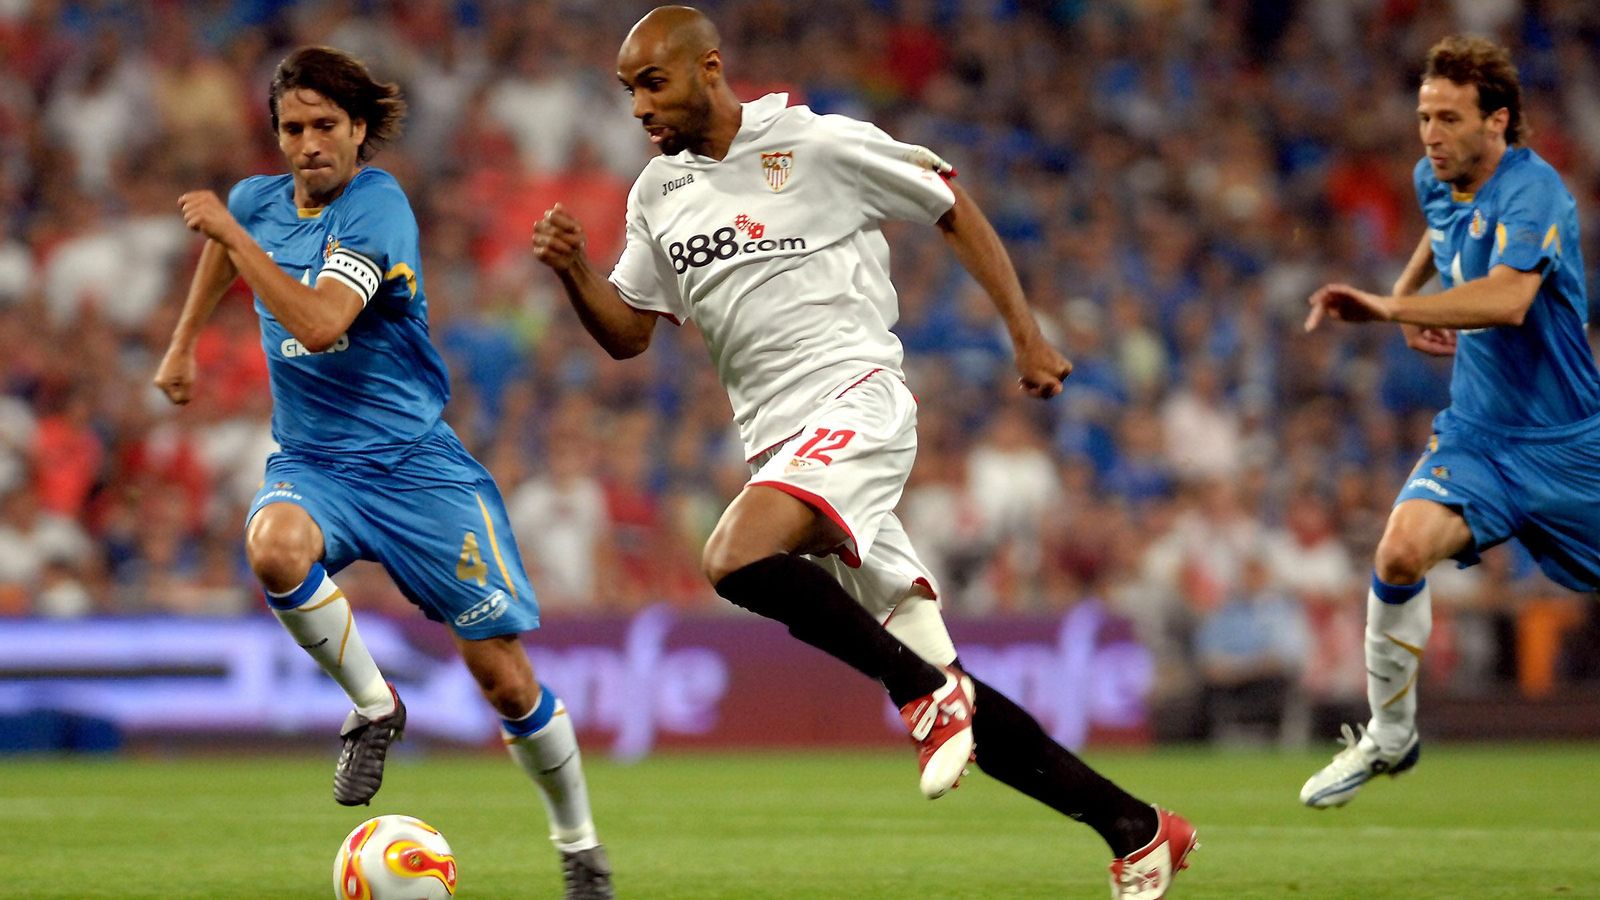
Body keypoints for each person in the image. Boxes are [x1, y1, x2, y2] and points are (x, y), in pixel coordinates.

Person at [531, 7, 1194, 897]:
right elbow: (629, 337)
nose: (639, 106)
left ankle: (916, 694)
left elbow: (950, 205)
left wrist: (1027, 337)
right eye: (627, 92)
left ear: (708, 70)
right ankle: (1138, 829)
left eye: (652, 83)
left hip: (858, 402)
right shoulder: (657, 194)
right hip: (780, 448)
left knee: (733, 556)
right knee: (951, 690)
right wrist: (575, 271)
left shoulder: (815, 144)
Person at [153, 46, 613, 898]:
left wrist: (227, 232)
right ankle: (374, 706)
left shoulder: (378, 208)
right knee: (274, 547)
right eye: (292, 128)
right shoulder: (256, 202)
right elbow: (230, 245)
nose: (307, 144)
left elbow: (324, 322)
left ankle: (579, 843)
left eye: (325, 126)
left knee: (505, 679)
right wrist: (183, 341)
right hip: (316, 464)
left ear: (359, 130)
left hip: (416, 472)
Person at [1300, 35, 1599, 809]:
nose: (1430, 133)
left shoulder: (1534, 192)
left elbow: (1507, 299)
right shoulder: (1436, 177)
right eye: (1423, 116)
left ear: (1497, 121)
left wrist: (1391, 306)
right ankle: (1390, 735)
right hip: (1478, 437)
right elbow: (1440, 236)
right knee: (1399, 552)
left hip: (1569, 449)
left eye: (1448, 118)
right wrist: (1405, 293)